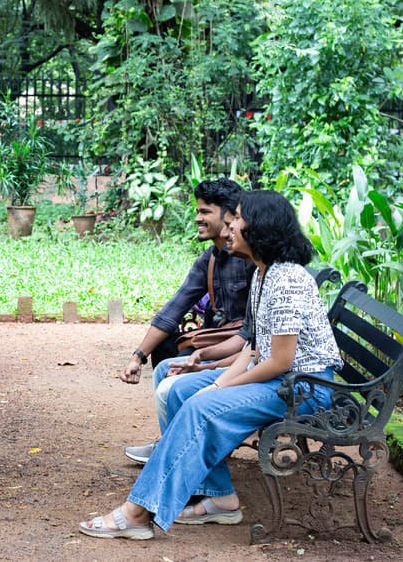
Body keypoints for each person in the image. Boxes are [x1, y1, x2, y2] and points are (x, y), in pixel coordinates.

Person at [79, 190, 343, 539]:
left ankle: (138, 512)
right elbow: (253, 348)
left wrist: (220, 388)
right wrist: (215, 380)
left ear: (260, 227)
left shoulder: (287, 280)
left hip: (307, 389)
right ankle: (220, 497)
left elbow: (281, 361)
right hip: (283, 381)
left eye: (237, 219)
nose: (229, 227)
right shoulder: (264, 274)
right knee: (184, 391)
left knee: (201, 406)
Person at [120, 178, 255, 464]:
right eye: (197, 211)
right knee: (166, 352)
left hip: (244, 348)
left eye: (205, 212)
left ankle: (181, 451)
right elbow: (174, 309)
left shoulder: (252, 259)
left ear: (230, 216)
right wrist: (137, 356)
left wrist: (208, 361)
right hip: (222, 342)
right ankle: (176, 445)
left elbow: (255, 338)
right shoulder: (209, 259)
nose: (197, 218)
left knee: (176, 370)